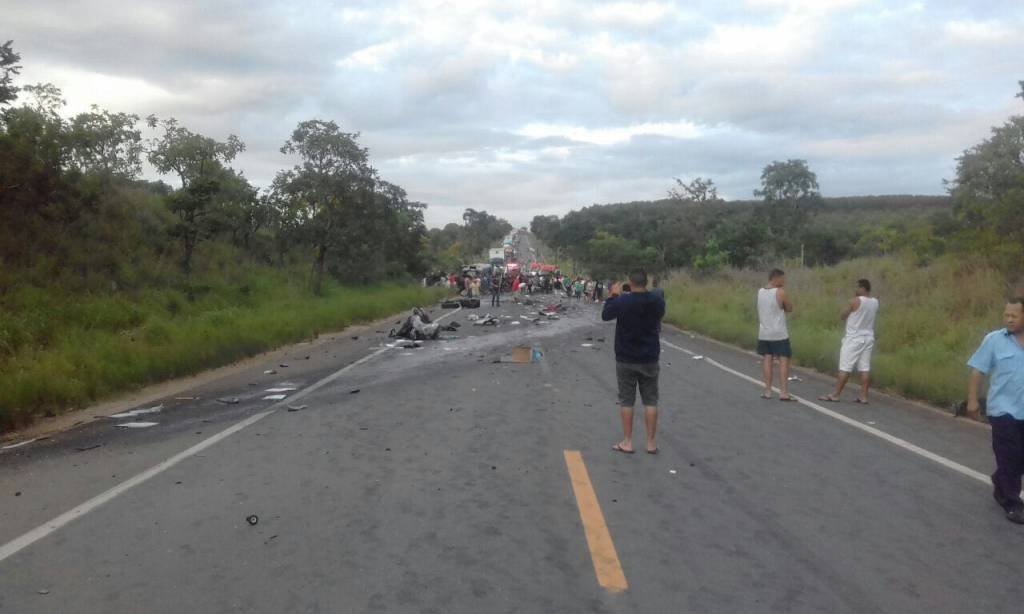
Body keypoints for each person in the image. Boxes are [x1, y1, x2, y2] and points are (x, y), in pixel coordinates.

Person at [967, 297, 1024, 524]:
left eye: (1014, 315)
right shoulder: (994, 340)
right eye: (1006, 315)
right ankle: (1013, 502)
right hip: (1003, 410)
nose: (1009, 319)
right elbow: (978, 370)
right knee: (1010, 455)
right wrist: (972, 400)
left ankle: (1001, 479)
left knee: (1018, 457)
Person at [602, 269, 666, 455]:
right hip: (649, 357)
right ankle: (651, 443)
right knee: (651, 401)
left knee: (627, 401)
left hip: (626, 357)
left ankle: (628, 441)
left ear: (630, 283)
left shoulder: (622, 301)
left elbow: (606, 315)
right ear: (646, 282)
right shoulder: (656, 300)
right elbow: (660, 311)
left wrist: (613, 296)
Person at [819, 279, 879, 403]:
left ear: (863, 288)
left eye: (857, 287)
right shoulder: (875, 302)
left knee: (845, 368)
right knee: (865, 368)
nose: (855, 290)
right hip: (868, 337)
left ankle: (835, 394)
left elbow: (842, 316)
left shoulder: (854, 301)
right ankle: (863, 396)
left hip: (854, 338)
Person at [757, 269, 794, 401]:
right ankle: (783, 391)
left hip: (764, 332)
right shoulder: (780, 292)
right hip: (779, 332)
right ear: (776, 278)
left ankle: (768, 390)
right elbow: (789, 308)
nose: (784, 281)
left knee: (767, 359)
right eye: (782, 278)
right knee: (784, 360)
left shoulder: (760, 291)